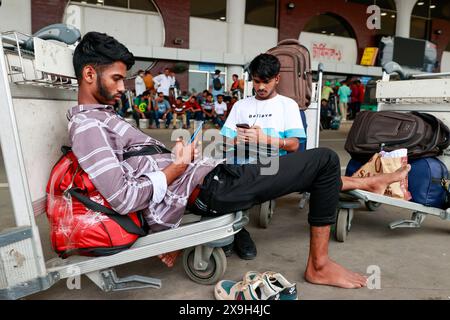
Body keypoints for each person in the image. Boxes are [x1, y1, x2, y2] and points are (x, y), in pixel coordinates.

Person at [70, 31, 411, 289]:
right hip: (210, 184)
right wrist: (178, 165)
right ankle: (319, 265)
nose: (122, 88)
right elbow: (123, 197)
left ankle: (367, 183)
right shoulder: (89, 127)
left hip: (215, 172)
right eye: (116, 78)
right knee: (323, 161)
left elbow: (294, 145)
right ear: (89, 75)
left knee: (315, 165)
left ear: (276, 80)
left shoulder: (103, 118)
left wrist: (183, 155)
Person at [220, 53, 306, 259]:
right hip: (241, 160)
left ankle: (235, 232)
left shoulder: (288, 106)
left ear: (277, 79)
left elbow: (294, 145)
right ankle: (230, 230)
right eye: (256, 81)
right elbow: (224, 142)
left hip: (273, 163)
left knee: (240, 182)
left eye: (265, 82)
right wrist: (237, 141)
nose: (260, 87)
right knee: (215, 178)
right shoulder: (241, 106)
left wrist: (265, 139)